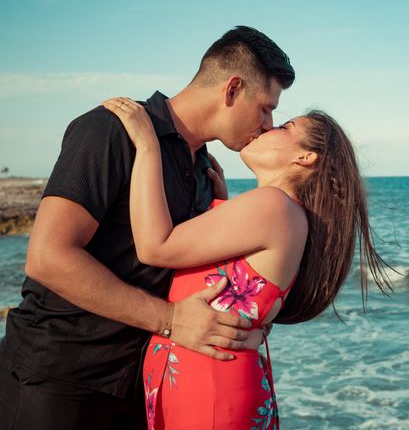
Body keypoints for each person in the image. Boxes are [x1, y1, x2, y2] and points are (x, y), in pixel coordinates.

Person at [0, 26, 295, 430]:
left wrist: (247, 327)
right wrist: (170, 318)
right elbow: (48, 257)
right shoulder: (112, 129)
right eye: (265, 107)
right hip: (58, 377)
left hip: (141, 388)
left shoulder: (204, 171)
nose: (268, 123)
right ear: (232, 89)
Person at [102, 96, 393, 429]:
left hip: (209, 387)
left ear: (305, 157)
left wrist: (147, 145)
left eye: (285, 127)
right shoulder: (282, 212)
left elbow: (155, 247)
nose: (267, 126)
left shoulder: (273, 206)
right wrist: (222, 205)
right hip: (209, 381)